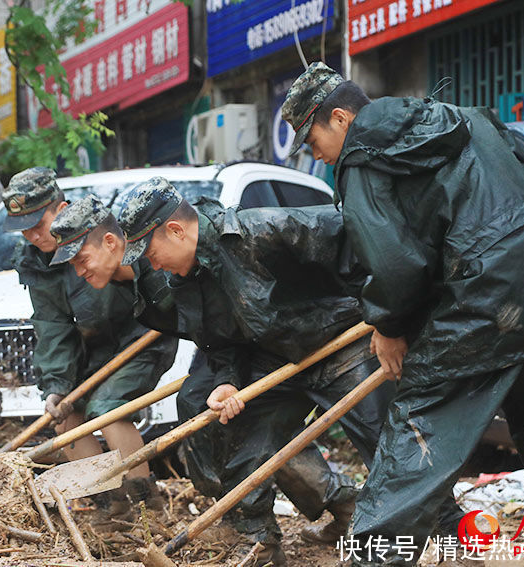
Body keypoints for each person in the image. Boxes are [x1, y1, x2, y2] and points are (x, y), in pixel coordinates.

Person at [283, 61, 524, 565]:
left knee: (416, 437)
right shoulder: (468, 117)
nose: (316, 154)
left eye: (311, 139)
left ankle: (374, 559)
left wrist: (389, 326)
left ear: (341, 118)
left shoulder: (363, 158)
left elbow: (394, 262)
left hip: (480, 310)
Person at [116, 177, 437, 564]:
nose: (151, 265)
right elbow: (221, 341)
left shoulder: (261, 231)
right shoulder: (186, 279)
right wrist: (228, 382)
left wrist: (389, 321)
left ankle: (453, 537)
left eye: (149, 252)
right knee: (241, 435)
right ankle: (261, 544)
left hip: (343, 344)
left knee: (390, 446)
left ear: (176, 230)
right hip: (279, 359)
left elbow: (364, 241)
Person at [49, 194, 367, 564]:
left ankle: (338, 512)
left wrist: (386, 308)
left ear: (110, 241)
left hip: (299, 338)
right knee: (209, 413)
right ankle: (256, 522)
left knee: (257, 424)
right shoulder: (142, 277)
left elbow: (346, 239)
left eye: (81, 259)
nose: (79, 272)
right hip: (235, 345)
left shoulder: (193, 251)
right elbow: (209, 329)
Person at [1, 167, 178, 520]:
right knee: (66, 420)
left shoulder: (95, 233)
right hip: (97, 351)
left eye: (39, 222)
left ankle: (147, 507)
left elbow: (149, 280)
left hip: (142, 338)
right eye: (25, 228)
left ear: (61, 207)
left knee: (108, 410)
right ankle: (112, 505)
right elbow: (53, 327)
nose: (34, 235)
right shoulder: (36, 262)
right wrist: (57, 385)